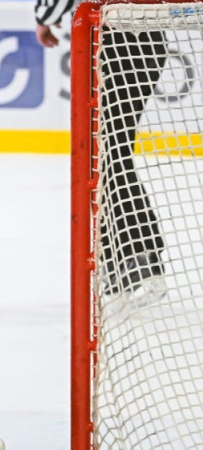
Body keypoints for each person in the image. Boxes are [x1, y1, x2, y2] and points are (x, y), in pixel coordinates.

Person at [36, 0, 167, 303]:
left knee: (110, 155)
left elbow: (53, 8)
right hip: (145, 37)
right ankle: (124, 259)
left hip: (118, 43)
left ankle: (139, 259)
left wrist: (43, 15)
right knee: (109, 153)